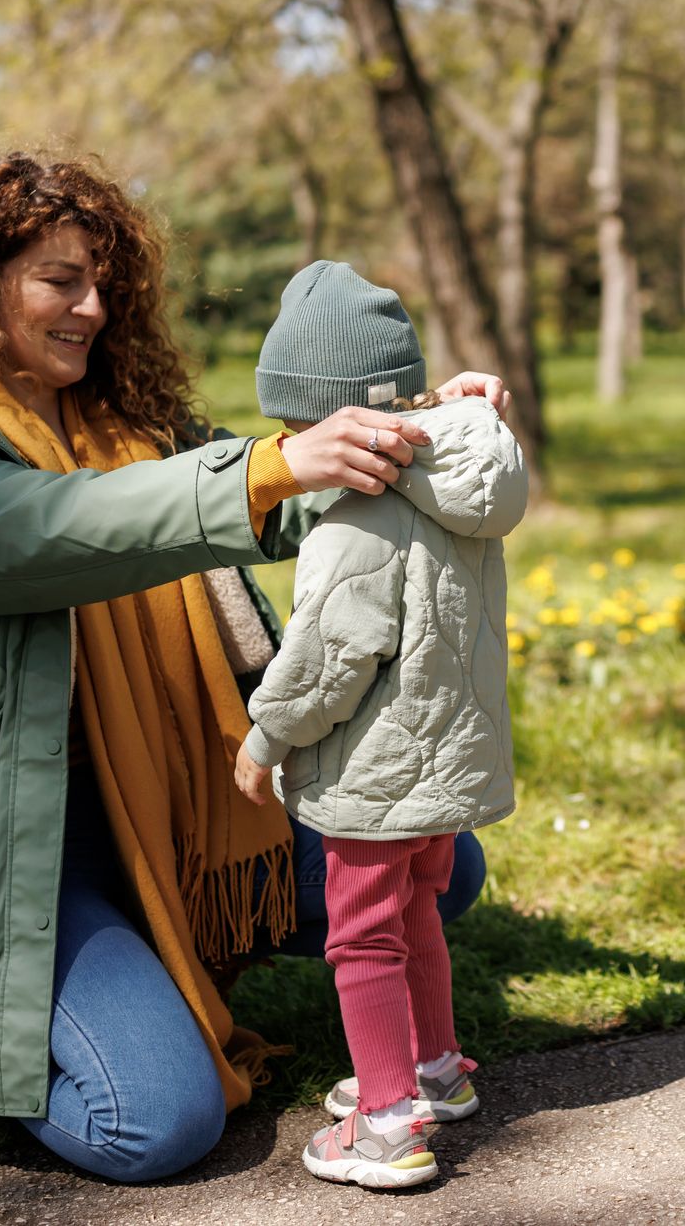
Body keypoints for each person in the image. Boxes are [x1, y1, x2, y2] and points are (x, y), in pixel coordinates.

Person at [0, 153, 500, 1182]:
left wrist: (426, 422)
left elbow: (308, 495)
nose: (90, 305)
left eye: (102, 282)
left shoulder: (133, 426)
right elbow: (59, 525)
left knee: (434, 864)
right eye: (58, 279)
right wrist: (267, 466)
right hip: (22, 852)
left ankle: (167, 943)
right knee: (156, 1122)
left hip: (182, 802)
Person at [231, 260, 526, 1189]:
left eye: (294, 425)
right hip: (446, 762)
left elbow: (327, 658)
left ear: (332, 420)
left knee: (362, 935)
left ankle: (387, 1125)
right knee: (418, 911)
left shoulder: (359, 520)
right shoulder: (459, 479)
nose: (290, 445)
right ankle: (436, 1071)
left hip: (372, 770)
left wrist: (264, 739)